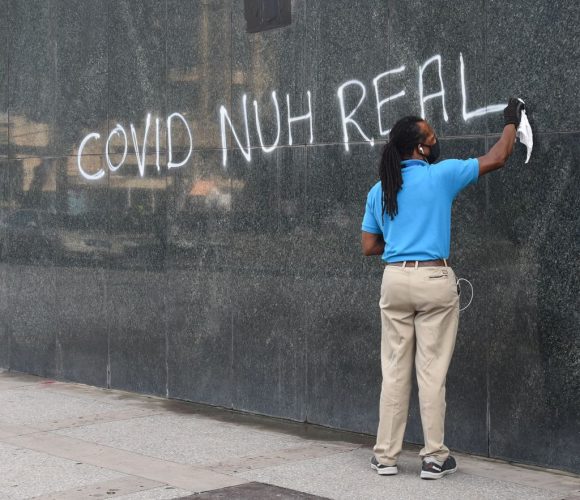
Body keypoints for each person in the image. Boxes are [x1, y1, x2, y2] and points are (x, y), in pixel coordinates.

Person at [361, 98, 524, 480]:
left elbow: (369, 246)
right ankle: (434, 457)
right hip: (435, 281)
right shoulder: (442, 175)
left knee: (394, 372)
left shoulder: (379, 189)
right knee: (431, 373)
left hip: (396, 280)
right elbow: (498, 157)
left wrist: (402, 244)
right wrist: (512, 121)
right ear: (420, 147)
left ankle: (385, 456)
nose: (437, 140)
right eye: (432, 136)